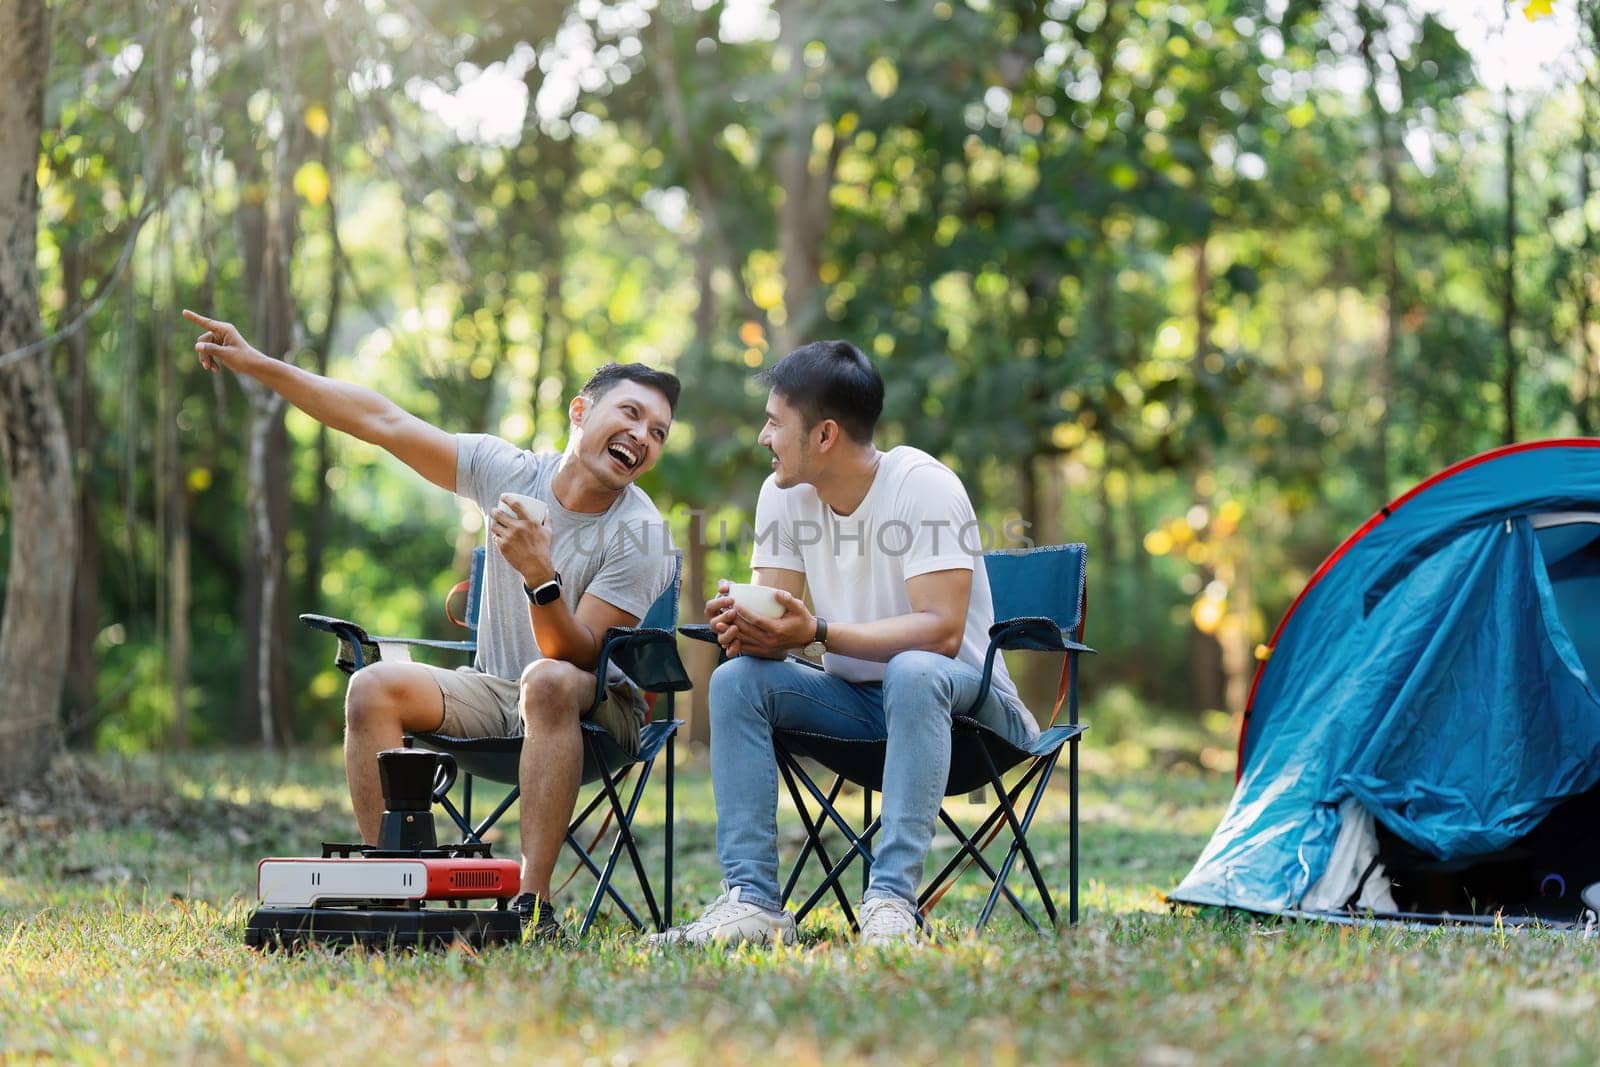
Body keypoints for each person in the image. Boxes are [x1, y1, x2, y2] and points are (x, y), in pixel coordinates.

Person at [182, 309, 678, 941]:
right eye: (631, 414)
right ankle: (392, 889)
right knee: (372, 687)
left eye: (658, 432)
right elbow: (382, 421)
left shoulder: (642, 531)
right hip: (498, 690)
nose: (643, 436)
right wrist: (258, 364)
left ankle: (532, 908)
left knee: (547, 679)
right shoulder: (510, 472)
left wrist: (539, 575)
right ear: (580, 412)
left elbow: (580, 655)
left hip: (594, 706)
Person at [654, 340, 1036, 947]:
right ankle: (751, 901)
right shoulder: (783, 493)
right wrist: (747, 628)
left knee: (914, 671)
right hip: (857, 710)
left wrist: (819, 632)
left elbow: (940, 632)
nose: (762, 437)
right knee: (736, 682)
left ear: (825, 435)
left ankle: (891, 901)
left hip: (969, 715)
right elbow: (778, 628)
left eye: (775, 423)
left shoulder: (923, 485)